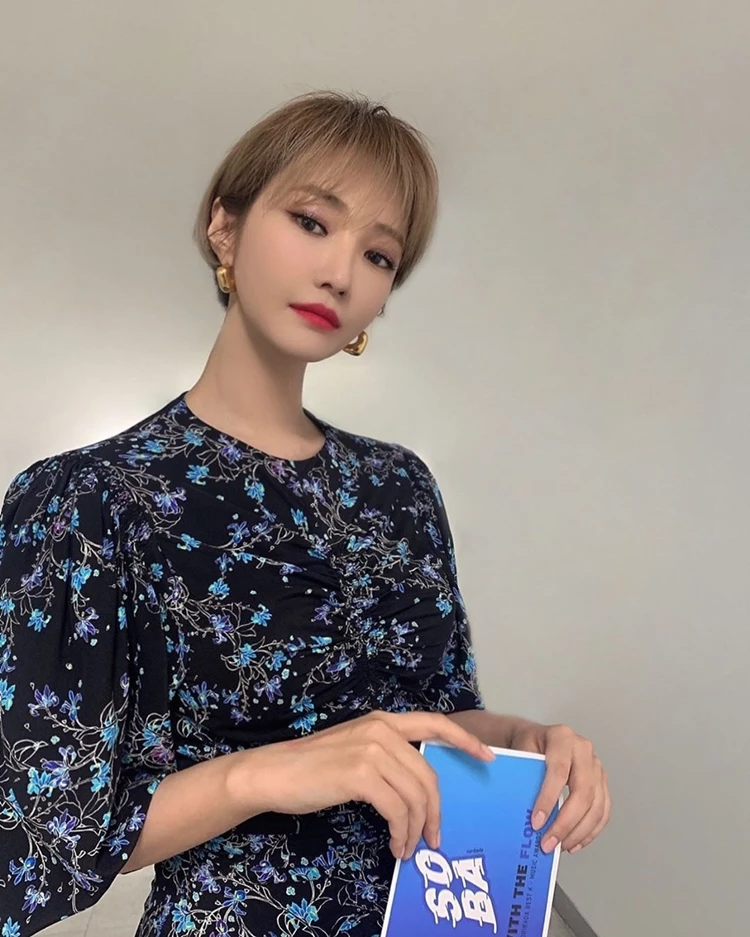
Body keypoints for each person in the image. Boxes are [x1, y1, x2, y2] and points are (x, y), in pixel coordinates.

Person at [0, 91, 610, 937]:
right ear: (225, 227)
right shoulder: (90, 499)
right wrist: (265, 773)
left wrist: (519, 741)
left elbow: (432, 724)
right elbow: (35, 836)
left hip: (437, 914)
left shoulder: (401, 486)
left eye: (379, 254)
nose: (341, 272)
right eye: (312, 222)